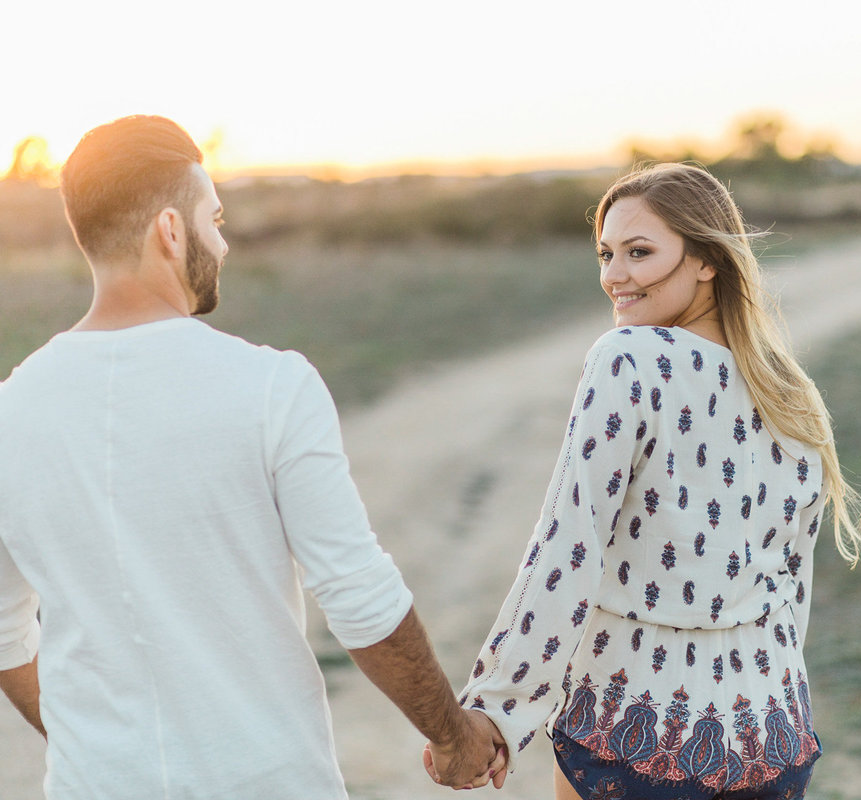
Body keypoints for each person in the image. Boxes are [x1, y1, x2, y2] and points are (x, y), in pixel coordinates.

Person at [0, 115, 503, 798]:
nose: (224, 242)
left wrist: (99, 753)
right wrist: (454, 735)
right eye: (215, 218)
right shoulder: (271, 386)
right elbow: (357, 595)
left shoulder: (10, 411)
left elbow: (5, 635)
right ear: (171, 232)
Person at [440, 163, 861, 799]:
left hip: (639, 729)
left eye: (640, 252)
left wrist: (497, 711)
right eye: (606, 253)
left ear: (706, 259)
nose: (615, 275)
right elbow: (792, 587)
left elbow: (569, 543)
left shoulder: (629, 360)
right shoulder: (791, 393)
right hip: (771, 733)